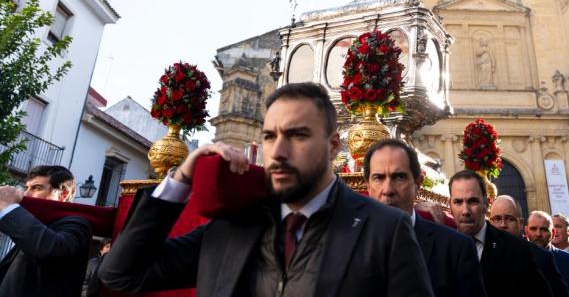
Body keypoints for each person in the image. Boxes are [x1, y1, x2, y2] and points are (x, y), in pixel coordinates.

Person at [100, 82, 434, 296]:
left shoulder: (385, 230)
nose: (279, 152)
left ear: (333, 145)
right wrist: (180, 180)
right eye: (270, 136)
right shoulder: (233, 226)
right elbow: (120, 274)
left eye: (298, 135)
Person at [363, 138, 486, 297]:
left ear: (418, 183)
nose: (387, 189)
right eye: (378, 178)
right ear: (368, 187)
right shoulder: (346, 243)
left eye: (399, 177)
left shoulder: (456, 249)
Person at [448, 170, 552, 296]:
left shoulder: (517, 249)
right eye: (458, 202)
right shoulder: (440, 247)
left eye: (473, 201)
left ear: (486, 204)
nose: (465, 211)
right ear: (450, 205)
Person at [0, 165, 92, 297]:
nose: (26, 194)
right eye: (27, 188)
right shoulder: (35, 223)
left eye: (36, 188)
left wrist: (8, 207)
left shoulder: (77, 224)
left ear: (63, 194)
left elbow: (49, 248)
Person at [489, 196, 569, 297]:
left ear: (521, 224)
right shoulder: (477, 253)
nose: (503, 224)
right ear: (490, 222)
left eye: (510, 219)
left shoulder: (542, 257)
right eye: (497, 219)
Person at [527, 210, 569, 297]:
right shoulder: (516, 258)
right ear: (526, 231)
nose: (538, 234)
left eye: (544, 229)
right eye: (533, 229)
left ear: (553, 233)